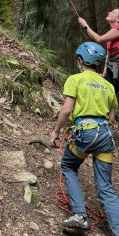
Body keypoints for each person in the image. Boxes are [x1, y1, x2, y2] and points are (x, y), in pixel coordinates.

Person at [50, 41, 119, 234]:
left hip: (86, 133)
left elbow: (67, 110)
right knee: (105, 186)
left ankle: (79, 215)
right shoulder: (109, 86)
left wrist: (56, 131)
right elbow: (112, 118)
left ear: (81, 60)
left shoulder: (76, 79)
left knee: (68, 165)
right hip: (105, 135)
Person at [78, 9, 119, 94]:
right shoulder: (111, 37)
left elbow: (98, 39)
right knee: (110, 88)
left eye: (113, 12)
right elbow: (109, 56)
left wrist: (86, 25)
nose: (109, 12)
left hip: (116, 66)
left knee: (108, 90)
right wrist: (105, 73)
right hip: (114, 67)